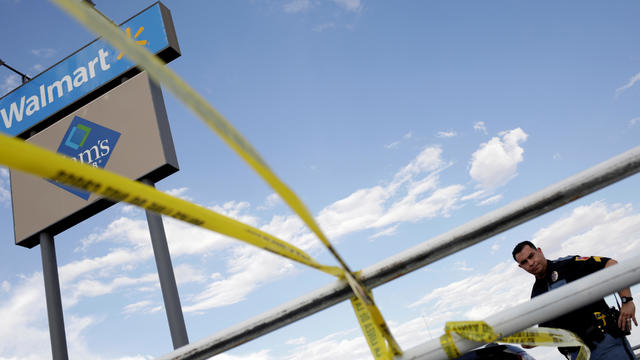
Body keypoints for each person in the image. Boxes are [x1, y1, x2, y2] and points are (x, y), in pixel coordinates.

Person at [512, 241, 637, 360]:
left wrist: (627, 301)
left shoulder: (568, 265)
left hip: (606, 344)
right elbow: (548, 330)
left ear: (539, 251)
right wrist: (527, 341)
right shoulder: (536, 294)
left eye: (531, 256)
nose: (531, 263)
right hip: (577, 354)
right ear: (521, 266)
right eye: (524, 262)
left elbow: (610, 264)